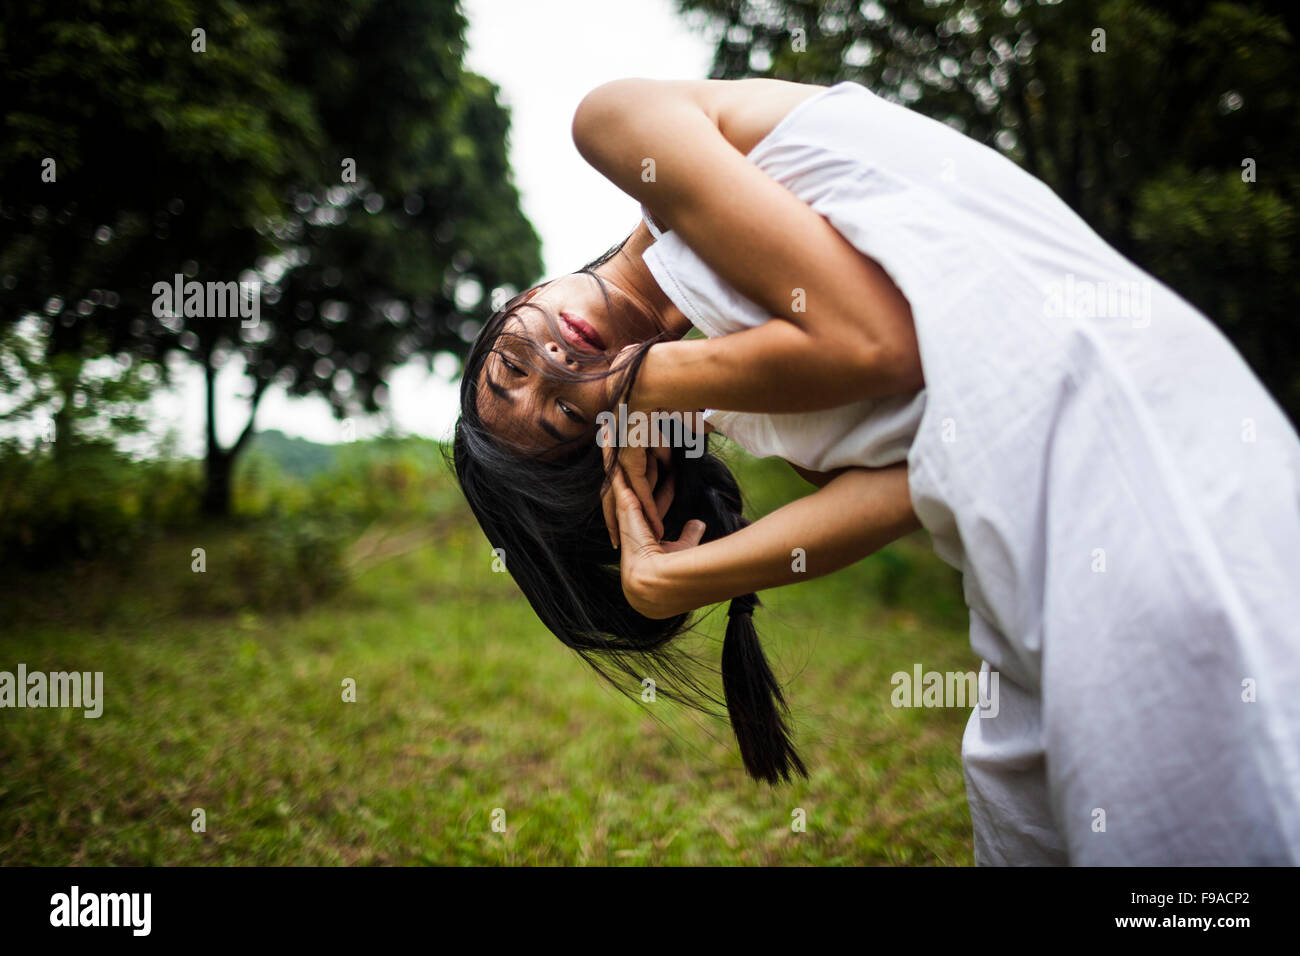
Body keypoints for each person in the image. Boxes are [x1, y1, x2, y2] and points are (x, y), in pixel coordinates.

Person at [452, 77, 1300, 864]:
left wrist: (621, 388)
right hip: (1015, 547)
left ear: (504, 311)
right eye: (558, 418)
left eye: (509, 370)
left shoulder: (617, 125)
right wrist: (673, 580)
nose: (552, 370)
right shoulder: (744, 385)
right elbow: (908, 486)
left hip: (1126, 452)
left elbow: (871, 342)